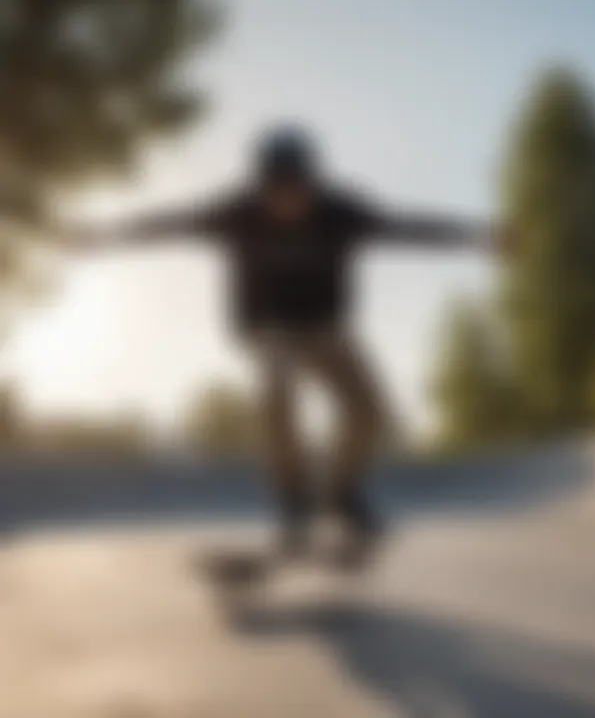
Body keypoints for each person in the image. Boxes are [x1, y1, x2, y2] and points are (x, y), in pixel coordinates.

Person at [67, 124, 502, 564]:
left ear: (313, 184)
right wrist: (103, 236)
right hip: (265, 329)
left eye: (298, 192)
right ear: (261, 188)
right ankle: (294, 501)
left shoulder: (340, 213)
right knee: (277, 381)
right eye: (277, 193)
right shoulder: (236, 213)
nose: (288, 203)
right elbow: (167, 225)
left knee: (369, 410)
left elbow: (407, 228)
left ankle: (342, 494)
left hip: (326, 329)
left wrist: (477, 236)